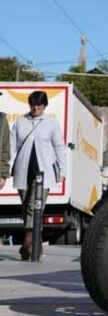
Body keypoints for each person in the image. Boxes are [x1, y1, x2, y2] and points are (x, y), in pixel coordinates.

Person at [10, 91, 66, 260]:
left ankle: (29, 240)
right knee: (26, 205)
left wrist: (62, 170)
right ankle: (36, 242)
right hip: (23, 171)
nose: (36, 108)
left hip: (44, 172)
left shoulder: (51, 123)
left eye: (39, 106)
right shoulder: (20, 122)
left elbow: (59, 147)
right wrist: (4, 169)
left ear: (44, 106)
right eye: (33, 105)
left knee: (35, 206)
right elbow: (12, 147)